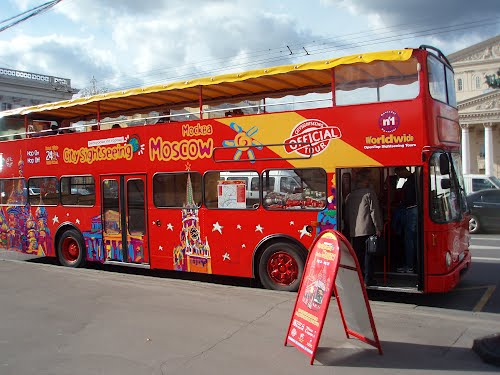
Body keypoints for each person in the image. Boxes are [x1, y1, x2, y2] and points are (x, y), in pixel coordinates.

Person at [344, 168, 384, 286]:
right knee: (369, 256)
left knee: (358, 255)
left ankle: (358, 277)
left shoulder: (350, 195)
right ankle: (368, 279)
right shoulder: (369, 193)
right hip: (367, 229)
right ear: (365, 182)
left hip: (354, 230)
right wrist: (378, 227)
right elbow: (374, 212)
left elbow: (346, 214)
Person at [394, 166, 417, 273]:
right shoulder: (414, 179)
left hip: (411, 210)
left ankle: (409, 265)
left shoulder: (411, 181)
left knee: (409, 239)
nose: (399, 177)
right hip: (412, 209)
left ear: (402, 171)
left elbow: (407, 198)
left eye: (399, 175)